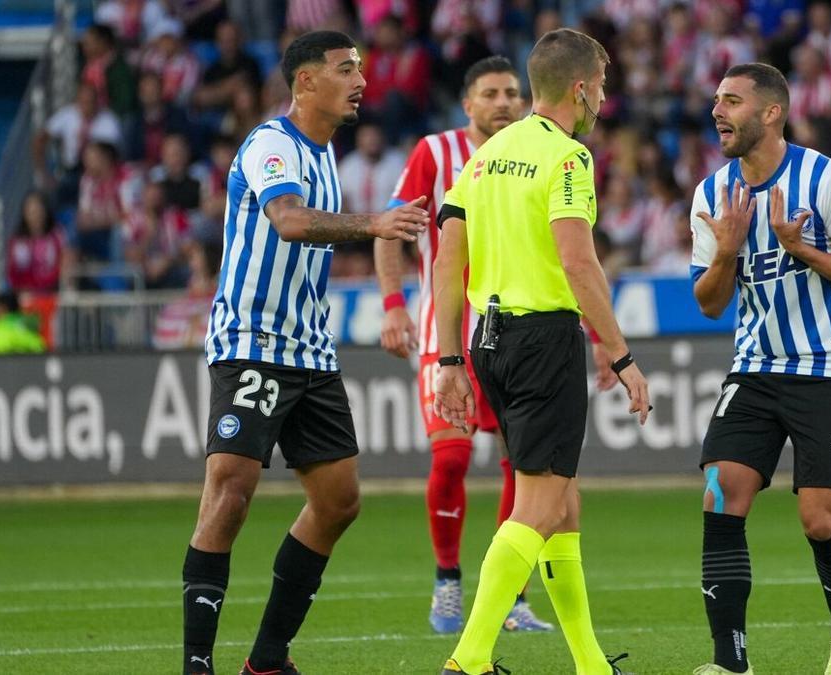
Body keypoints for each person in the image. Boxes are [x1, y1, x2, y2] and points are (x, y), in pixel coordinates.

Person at [182, 30, 430, 675]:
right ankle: (196, 665)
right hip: (251, 343)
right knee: (231, 490)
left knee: (339, 502)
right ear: (304, 82)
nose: (361, 81)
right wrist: (373, 224)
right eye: (346, 69)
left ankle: (266, 660)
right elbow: (289, 220)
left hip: (311, 352)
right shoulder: (273, 143)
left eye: (362, 69)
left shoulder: (325, 155)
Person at [432, 28, 650, 675]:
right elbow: (578, 260)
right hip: (542, 338)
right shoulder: (568, 158)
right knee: (538, 505)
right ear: (580, 88)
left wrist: (449, 360)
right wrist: (620, 350)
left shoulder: (487, 155)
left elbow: (448, 258)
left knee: (563, 502)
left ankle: (590, 663)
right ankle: (467, 660)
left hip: (487, 339)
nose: (603, 101)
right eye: (602, 87)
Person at [689, 63, 831, 675]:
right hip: (754, 366)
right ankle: (730, 663)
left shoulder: (829, 179)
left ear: (771, 113)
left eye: (732, 101)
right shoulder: (710, 195)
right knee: (721, 497)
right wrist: (726, 251)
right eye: (717, 99)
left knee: (821, 521)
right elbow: (711, 303)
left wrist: (800, 248)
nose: (718, 111)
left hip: (829, 367)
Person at [374, 55, 556, 634]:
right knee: (451, 459)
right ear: (468, 103)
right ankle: (448, 582)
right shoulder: (435, 152)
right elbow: (394, 228)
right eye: (491, 93)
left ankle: (512, 596)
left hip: (518, 334)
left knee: (522, 469)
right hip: (446, 334)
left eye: (512, 92)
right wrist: (393, 303)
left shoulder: (541, 150)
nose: (504, 102)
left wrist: (600, 340)